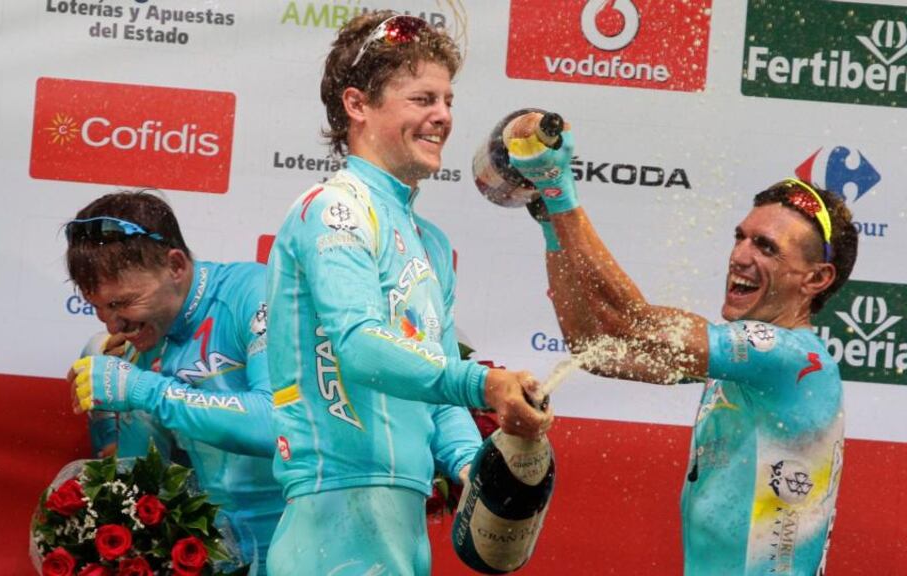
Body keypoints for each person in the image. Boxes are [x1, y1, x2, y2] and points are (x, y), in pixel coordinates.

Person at [264, 12, 553, 575]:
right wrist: (485, 382)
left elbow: (437, 390)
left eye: (447, 99)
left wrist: (481, 469)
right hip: (331, 523)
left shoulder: (432, 244)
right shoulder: (333, 209)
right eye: (422, 98)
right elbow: (359, 344)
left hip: (401, 535)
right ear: (357, 105)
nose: (443, 115)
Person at [510, 117, 858, 574]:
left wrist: (559, 188)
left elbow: (637, 321)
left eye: (767, 248)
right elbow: (591, 343)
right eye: (741, 237)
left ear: (816, 278)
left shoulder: (793, 358)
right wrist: (549, 220)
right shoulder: (742, 366)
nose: (741, 255)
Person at [65, 191, 282, 575]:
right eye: (97, 306)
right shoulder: (125, 347)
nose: (112, 325)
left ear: (176, 266)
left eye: (121, 303)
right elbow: (139, 492)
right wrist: (113, 412)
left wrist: (144, 390)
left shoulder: (254, 295)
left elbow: (277, 426)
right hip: (215, 555)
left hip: (298, 544)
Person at [79, 330, 174, 459]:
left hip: (194, 454)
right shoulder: (107, 345)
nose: (114, 324)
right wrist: (110, 435)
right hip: (129, 453)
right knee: (95, 348)